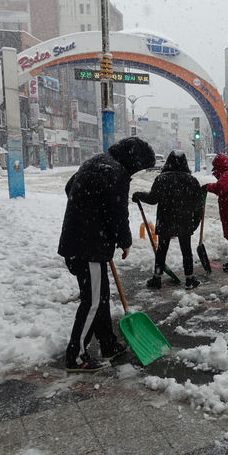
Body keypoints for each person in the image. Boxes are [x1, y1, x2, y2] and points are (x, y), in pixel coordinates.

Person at [58, 136, 156, 372]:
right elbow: (118, 212)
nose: (136, 172)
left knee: (100, 296)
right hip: (88, 247)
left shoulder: (96, 162)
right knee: (92, 301)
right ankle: (76, 357)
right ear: (135, 160)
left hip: (79, 242)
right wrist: (124, 241)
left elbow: (70, 187)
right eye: (139, 167)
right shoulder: (117, 172)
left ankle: (108, 344)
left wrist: (88, 210)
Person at [132, 151, 203, 290]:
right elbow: (198, 205)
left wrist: (139, 195)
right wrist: (194, 223)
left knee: (162, 249)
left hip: (165, 220)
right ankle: (189, 279)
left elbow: (153, 199)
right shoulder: (191, 180)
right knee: (186, 250)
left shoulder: (162, 179)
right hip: (184, 221)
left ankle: (157, 278)